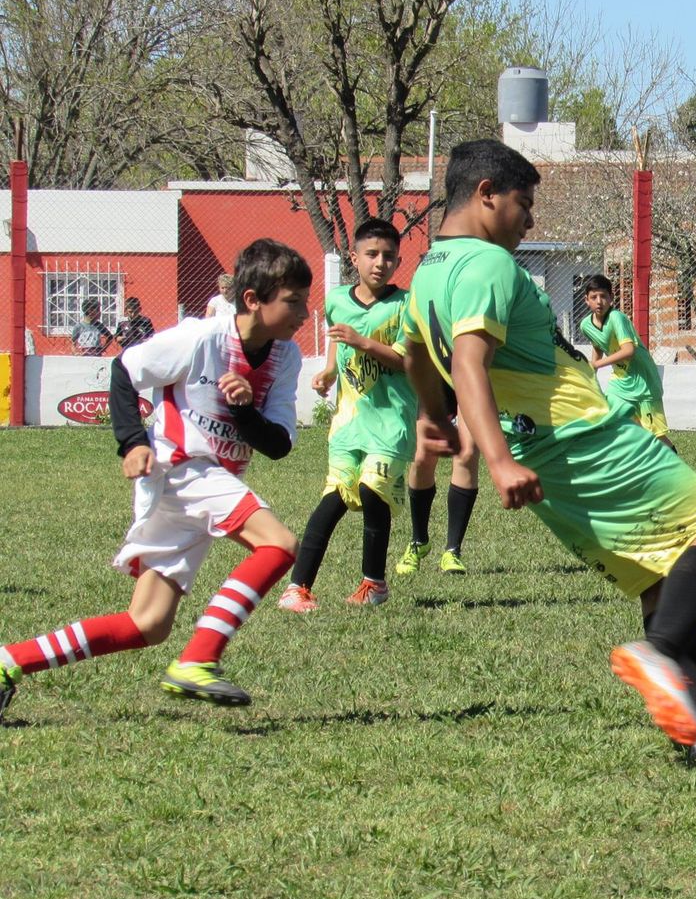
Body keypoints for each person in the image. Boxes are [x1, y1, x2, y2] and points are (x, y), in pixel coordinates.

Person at [401, 138, 696, 763]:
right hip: (580, 436)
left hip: (541, 457)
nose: (530, 220)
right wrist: (495, 459)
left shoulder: (427, 274)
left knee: (660, 576)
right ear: (486, 194)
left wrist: (434, 419)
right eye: (523, 203)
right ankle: (658, 656)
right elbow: (468, 359)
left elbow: (416, 353)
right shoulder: (489, 264)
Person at [0, 239, 311, 720]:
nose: (304, 314)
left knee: (146, 625)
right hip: (185, 471)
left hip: (204, 487)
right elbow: (125, 369)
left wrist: (244, 410)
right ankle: (199, 658)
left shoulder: (285, 358)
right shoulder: (200, 337)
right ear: (253, 299)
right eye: (293, 302)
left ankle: (9, 662)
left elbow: (278, 444)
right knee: (279, 545)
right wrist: (132, 441)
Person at [279, 219, 415, 612]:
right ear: (354, 257)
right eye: (372, 254)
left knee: (373, 491)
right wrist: (327, 371)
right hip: (348, 422)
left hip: (392, 424)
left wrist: (364, 343)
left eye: (389, 256)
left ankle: (374, 583)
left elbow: (406, 361)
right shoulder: (337, 299)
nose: (380, 263)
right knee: (333, 498)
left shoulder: (407, 304)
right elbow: (338, 349)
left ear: (398, 261)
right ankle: (298, 587)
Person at [578, 273, 675, 451]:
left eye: (603, 296)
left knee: (656, 436)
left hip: (643, 381)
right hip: (621, 381)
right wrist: (592, 375)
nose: (599, 301)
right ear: (586, 300)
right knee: (615, 419)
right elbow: (598, 344)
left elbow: (628, 351)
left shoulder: (617, 318)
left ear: (611, 298)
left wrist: (597, 365)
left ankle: (674, 466)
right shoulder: (585, 325)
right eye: (594, 297)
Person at [394, 412, 482, 576]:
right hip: (435, 386)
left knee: (467, 453)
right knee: (421, 457)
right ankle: (418, 542)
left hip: (470, 386)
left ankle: (452, 550)